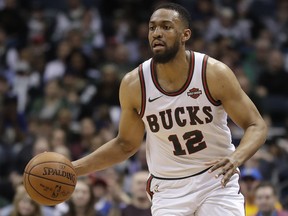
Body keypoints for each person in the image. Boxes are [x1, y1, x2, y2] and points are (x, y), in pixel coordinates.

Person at [72, 2, 267, 215]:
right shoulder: (134, 84)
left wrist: (236, 158)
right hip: (168, 187)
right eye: (152, 27)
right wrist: (73, 169)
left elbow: (256, 125)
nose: (157, 33)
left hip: (215, 179)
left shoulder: (213, 73)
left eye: (166, 27)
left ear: (185, 34)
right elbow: (125, 144)